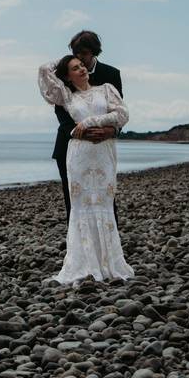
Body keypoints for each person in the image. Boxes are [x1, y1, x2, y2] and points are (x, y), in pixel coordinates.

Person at [38, 53, 134, 283]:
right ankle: (84, 263)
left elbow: (122, 114)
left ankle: (109, 263)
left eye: (82, 65)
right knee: (81, 208)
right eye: (75, 67)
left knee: (104, 205)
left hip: (103, 155)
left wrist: (91, 122)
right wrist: (66, 59)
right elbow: (44, 70)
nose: (82, 69)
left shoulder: (106, 89)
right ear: (67, 76)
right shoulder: (67, 97)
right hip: (79, 157)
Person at [51, 31, 122, 220]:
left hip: (101, 147)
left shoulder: (111, 74)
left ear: (94, 51)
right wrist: (77, 132)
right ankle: (78, 246)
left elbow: (119, 110)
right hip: (69, 145)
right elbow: (60, 111)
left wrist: (112, 130)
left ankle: (107, 244)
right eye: (76, 52)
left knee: (106, 196)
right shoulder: (65, 72)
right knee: (73, 199)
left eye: (83, 53)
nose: (79, 57)